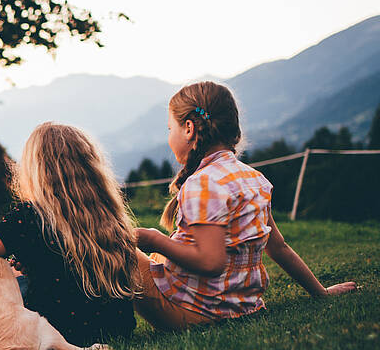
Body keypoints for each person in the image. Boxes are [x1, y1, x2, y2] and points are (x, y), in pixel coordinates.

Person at [135, 81, 356, 331]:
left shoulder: (201, 184)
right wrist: (321, 292)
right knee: (158, 256)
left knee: (119, 253)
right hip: (240, 309)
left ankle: (103, 324)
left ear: (188, 129)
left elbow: (211, 262)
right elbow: (279, 247)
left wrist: (152, 238)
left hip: (194, 314)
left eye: (169, 128)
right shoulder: (254, 180)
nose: (168, 137)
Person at [0, 122, 140, 346]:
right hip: (118, 329)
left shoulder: (33, 216)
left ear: (36, 171)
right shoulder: (109, 213)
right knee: (19, 277)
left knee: (2, 289)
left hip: (60, 333)